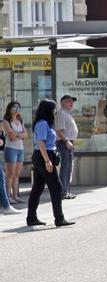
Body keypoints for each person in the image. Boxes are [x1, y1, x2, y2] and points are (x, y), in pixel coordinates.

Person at [26, 99, 74, 227]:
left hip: (45, 155)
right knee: (56, 186)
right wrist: (47, 161)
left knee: (38, 187)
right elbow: (41, 143)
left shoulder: (47, 124)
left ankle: (31, 218)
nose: (55, 112)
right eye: (53, 109)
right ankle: (59, 218)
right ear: (47, 110)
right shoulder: (42, 124)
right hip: (44, 156)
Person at [2, 101, 27, 204]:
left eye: (18, 107)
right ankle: (7, 197)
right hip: (11, 149)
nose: (16, 109)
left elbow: (25, 135)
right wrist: (19, 135)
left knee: (17, 174)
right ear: (9, 108)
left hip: (20, 149)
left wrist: (17, 134)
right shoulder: (6, 121)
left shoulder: (20, 120)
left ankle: (15, 196)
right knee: (10, 174)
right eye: (14, 107)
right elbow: (10, 136)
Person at [55, 95, 79, 200]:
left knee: (69, 167)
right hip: (64, 142)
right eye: (69, 101)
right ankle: (62, 191)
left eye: (72, 101)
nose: (71, 103)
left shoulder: (68, 113)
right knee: (65, 167)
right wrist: (66, 140)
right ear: (63, 103)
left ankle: (67, 191)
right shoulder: (61, 113)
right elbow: (59, 130)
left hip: (69, 142)